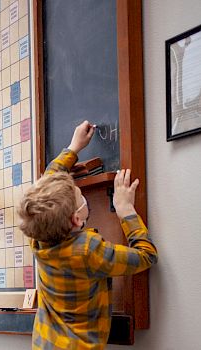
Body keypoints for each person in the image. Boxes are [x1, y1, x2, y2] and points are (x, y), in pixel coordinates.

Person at [17, 121, 158, 350]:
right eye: (80, 194)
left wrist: (73, 148)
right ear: (76, 219)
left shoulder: (39, 234)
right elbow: (146, 256)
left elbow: (48, 182)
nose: (79, 190)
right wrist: (126, 211)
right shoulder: (88, 250)